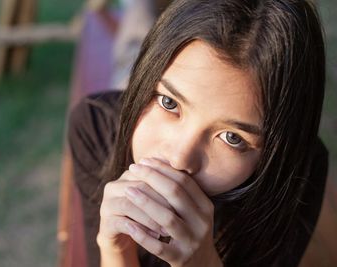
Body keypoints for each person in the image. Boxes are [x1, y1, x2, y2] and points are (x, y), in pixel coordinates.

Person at [68, 0, 328, 266]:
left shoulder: (298, 172)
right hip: (133, 78)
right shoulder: (97, 127)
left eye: (232, 138)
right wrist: (116, 249)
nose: (180, 159)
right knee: (134, 43)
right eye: (169, 103)